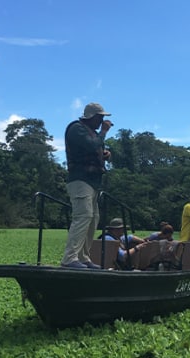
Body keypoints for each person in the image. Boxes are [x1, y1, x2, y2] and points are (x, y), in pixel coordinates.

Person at [60, 102, 113, 269]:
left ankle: (83, 257)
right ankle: (69, 258)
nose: (102, 121)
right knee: (83, 216)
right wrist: (104, 132)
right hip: (80, 180)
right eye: (100, 117)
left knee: (92, 219)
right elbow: (91, 144)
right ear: (91, 117)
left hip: (93, 183)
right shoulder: (76, 128)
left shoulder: (92, 133)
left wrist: (105, 155)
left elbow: (94, 147)